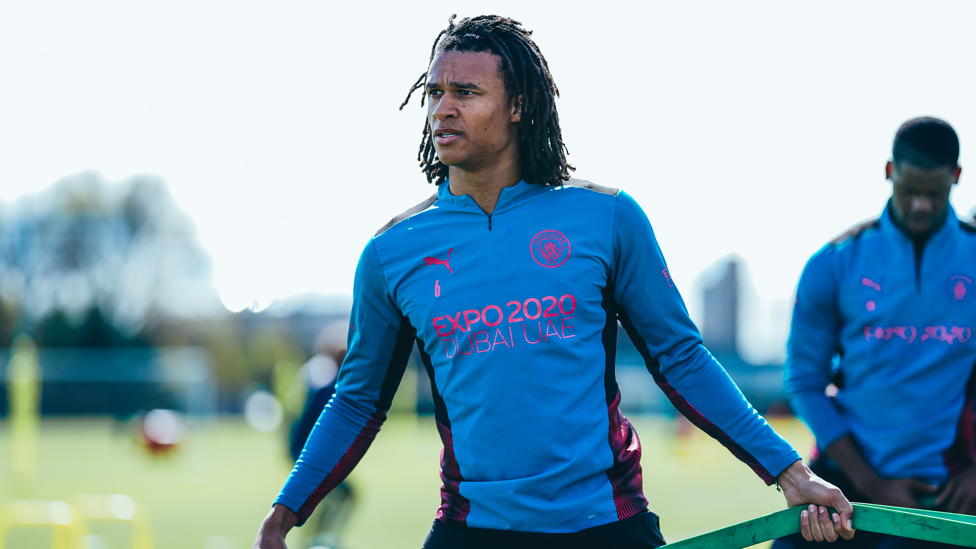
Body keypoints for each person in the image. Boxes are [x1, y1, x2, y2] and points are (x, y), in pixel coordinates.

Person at [255, 15, 855, 549]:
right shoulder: (391, 252)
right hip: (474, 528)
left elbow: (681, 361)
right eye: (436, 92)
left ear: (517, 106)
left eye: (467, 92)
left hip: (605, 524)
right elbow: (357, 400)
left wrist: (790, 471)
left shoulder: (607, 217)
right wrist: (284, 515)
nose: (442, 107)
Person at [773, 117, 976, 549]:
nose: (921, 205)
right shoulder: (834, 263)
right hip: (846, 486)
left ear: (956, 177)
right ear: (889, 171)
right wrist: (871, 482)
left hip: (948, 491)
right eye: (910, 190)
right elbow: (804, 381)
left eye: (935, 193)